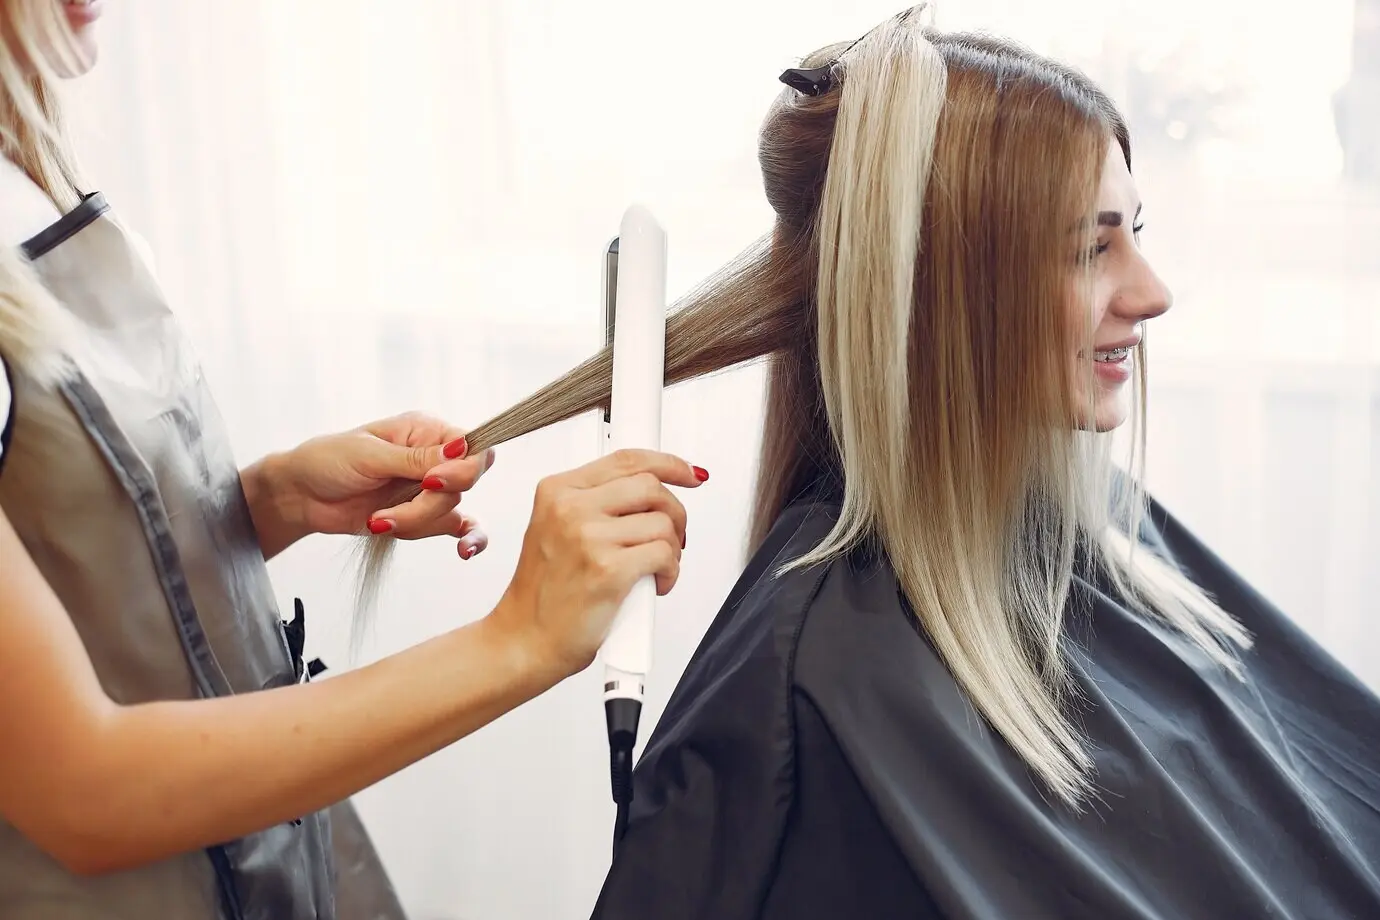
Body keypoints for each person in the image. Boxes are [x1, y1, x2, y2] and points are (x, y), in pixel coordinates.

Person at [373, 7, 1380, 919]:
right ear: (944, 290)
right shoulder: (818, 675)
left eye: (1137, 235)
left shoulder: (1094, 520)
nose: (1152, 292)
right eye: (1089, 249)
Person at [0, 2, 709, 918]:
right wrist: (518, 638)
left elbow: (54, 552)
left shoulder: (31, 181)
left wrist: (268, 500)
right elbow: (79, 790)